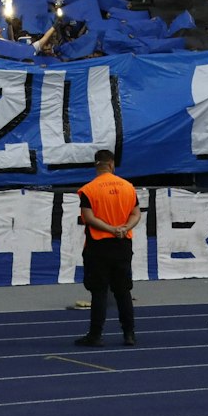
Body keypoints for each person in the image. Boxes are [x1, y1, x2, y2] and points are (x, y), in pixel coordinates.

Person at [74, 147, 142, 347]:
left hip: (98, 246)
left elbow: (89, 218)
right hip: (122, 244)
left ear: (96, 165)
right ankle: (129, 334)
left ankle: (95, 335)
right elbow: (136, 214)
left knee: (99, 292)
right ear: (112, 164)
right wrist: (123, 228)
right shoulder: (128, 187)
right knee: (123, 291)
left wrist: (110, 229)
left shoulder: (89, 189)